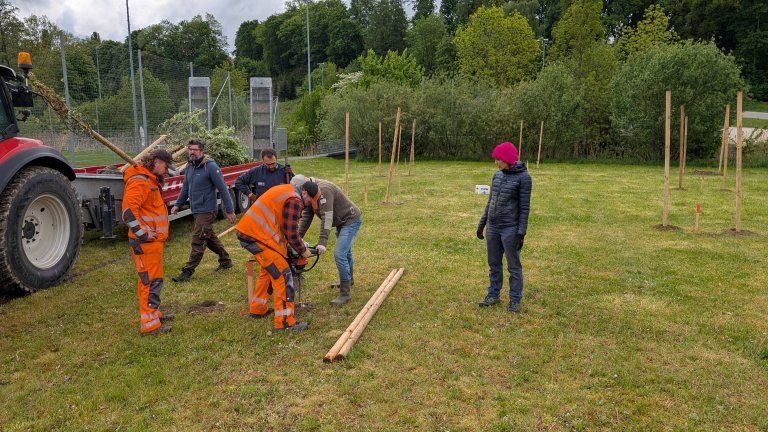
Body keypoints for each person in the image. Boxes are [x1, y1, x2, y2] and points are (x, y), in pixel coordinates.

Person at [235, 182, 312, 331]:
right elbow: (291, 233)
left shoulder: (287, 191)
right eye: (309, 201)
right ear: (305, 193)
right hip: (255, 236)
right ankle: (284, 322)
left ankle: (258, 308)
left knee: (268, 272)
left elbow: (283, 226)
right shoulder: (294, 200)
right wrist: (303, 250)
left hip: (252, 233)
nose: (307, 205)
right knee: (283, 275)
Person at [122, 149, 175, 336]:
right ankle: (149, 325)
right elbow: (128, 212)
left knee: (154, 279)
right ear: (156, 162)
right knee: (149, 281)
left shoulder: (150, 180)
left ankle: (154, 314)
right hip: (145, 244)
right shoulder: (140, 181)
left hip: (153, 244)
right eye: (166, 166)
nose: (167, 171)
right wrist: (143, 234)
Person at [477, 141, 532, 313]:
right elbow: (490, 201)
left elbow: (524, 208)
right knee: (494, 263)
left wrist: (521, 232)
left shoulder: (524, 178)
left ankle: (515, 299)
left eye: (498, 159)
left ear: (507, 159)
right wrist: (482, 223)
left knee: (513, 266)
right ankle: (493, 294)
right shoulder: (497, 175)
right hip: (493, 227)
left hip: (510, 229)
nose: (496, 163)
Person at [171, 139, 236, 282]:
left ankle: (188, 271)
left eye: (195, 149)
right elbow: (185, 187)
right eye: (190, 149)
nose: (192, 152)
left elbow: (223, 188)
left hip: (207, 210)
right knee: (209, 237)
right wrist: (178, 204)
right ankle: (226, 261)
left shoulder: (210, 166)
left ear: (201, 151)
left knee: (198, 238)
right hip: (196, 209)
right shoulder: (190, 166)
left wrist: (230, 210)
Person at [291, 175, 362, 305]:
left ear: (302, 188)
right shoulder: (309, 193)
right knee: (346, 253)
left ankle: (345, 293)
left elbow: (327, 217)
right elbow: (306, 217)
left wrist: (322, 242)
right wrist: (297, 238)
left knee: (340, 253)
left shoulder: (324, 190)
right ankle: (349, 280)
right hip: (341, 222)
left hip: (350, 220)